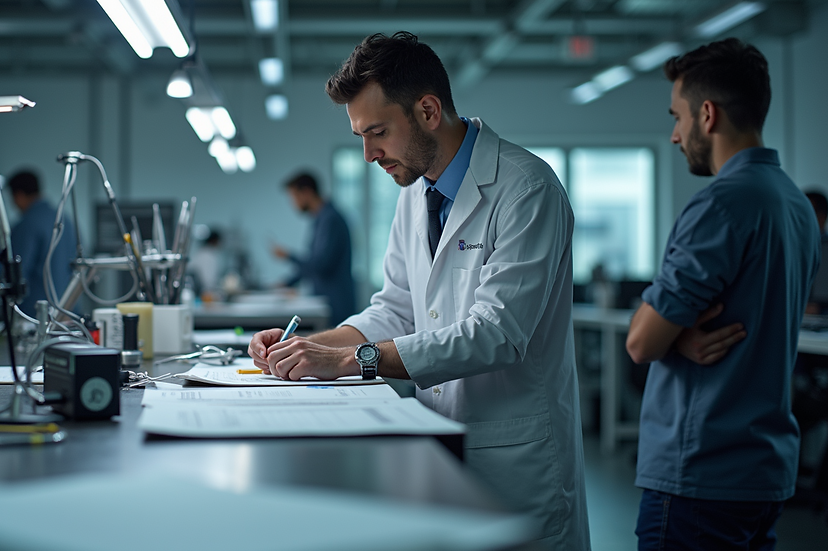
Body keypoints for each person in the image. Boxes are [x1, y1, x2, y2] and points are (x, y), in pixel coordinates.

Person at [248, 32, 589, 550]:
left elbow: (497, 333)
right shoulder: (415, 192)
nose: (367, 154)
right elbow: (397, 307)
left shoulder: (527, 190)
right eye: (361, 135)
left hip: (515, 456)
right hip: (436, 443)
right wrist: (307, 349)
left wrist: (351, 361)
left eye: (378, 132)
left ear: (428, 110)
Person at [625, 38, 821, 550]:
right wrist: (682, 334)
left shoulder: (721, 203)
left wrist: (669, 333)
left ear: (707, 115)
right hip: (764, 470)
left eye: (678, 117)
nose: (674, 135)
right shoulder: (795, 204)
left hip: (700, 471)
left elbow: (642, 342)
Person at [272, 172, 357, 327]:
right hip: (328, 300)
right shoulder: (321, 219)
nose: (293, 203)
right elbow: (312, 263)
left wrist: (288, 255)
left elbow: (320, 264)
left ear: (307, 192)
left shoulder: (330, 219)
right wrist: (288, 283)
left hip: (335, 303)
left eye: (294, 197)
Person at [7, 170, 78, 317]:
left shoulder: (27, 225)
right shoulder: (65, 219)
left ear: (19, 196)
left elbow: (18, 274)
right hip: (69, 311)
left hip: (37, 315)